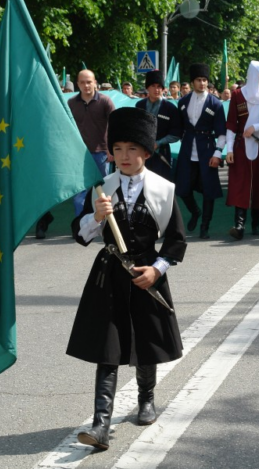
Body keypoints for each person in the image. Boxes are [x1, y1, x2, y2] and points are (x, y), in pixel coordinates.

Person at [68, 107, 186, 451]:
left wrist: (156, 270)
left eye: (132, 149)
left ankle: (146, 399)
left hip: (146, 274)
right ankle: (100, 425)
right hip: (109, 276)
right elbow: (81, 236)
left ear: (146, 152)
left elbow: (177, 239)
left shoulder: (164, 189)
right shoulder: (102, 189)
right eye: (118, 149)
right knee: (108, 347)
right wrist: (95, 216)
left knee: (145, 340)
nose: (124, 156)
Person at [225, 61, 259, 239]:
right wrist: (230, 149)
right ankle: (239, 225)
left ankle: (256, 223)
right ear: (253, 75)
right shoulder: (238, 95)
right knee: (240, 183)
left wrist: (256, 127)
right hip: (241, 147)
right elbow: (231, 124)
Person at [175, 63, 226, 239]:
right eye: (199, 80)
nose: (202, 83)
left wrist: (217, 153)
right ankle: (195, 211)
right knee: (182, 189)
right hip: (188, 149)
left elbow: (222, 133)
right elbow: (177, 129)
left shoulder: (216, 103)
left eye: (205, 80)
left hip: (207, 150)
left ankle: (205, 226)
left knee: (208, 191)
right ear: (192, 82)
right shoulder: (182, 102)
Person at [68, 69, 116, 215]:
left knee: (103, 191)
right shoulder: (71, 103)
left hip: (101, 153)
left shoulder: (105, 101)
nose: (86, 85)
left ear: (95, 83)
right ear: (77, 84)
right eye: (82, 82)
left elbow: (115, 124)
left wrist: (111, 148)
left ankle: (104, 223)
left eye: (89, 82)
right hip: (78, 155)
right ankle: (81, 224)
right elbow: (67, 129)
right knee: (78, 194)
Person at [135, 70, 182, 181]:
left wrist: (158, 143)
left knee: (162, 184)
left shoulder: (170, 108)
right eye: (153, 86)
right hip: (142, 152)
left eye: (159, 87)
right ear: (147, 88)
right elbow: (136, 128)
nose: (156, 90)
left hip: (162, 153)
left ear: (163, 89)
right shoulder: (140, 105)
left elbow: (176, 134)